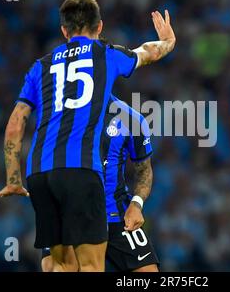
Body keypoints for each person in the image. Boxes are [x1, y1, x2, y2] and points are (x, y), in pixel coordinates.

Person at [0, 0, 175, 272]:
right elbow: (146, 52)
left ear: (64, 31)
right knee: (91, 266)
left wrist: (13, 178)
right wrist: (168, 42)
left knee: (59, 267)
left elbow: (16, 122)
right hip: (80, 172)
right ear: (100, 27)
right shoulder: (105, 53)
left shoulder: (40, 66)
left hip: (39, 174)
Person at [41, 95, 159, 272]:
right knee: (54, 268)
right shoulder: (60, 115)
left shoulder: (131, 119)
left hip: (117, 214)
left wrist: (136, 204)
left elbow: (144, 170)